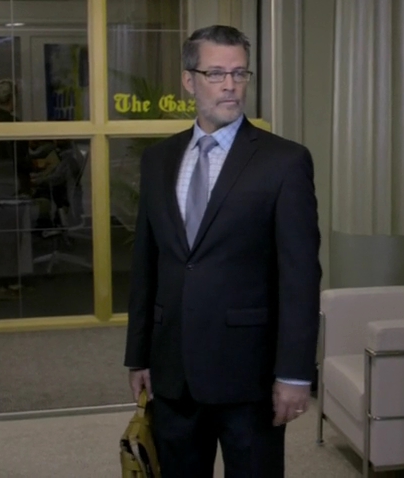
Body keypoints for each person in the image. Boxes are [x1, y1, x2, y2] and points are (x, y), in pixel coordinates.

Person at [123, 25, 321, 478]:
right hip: (173, 371)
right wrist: (139, 355)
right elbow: (146, 265)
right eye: (216, 73)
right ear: (188, 81)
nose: (230, 85)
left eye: (239, 73)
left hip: (248, 375)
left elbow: (300, 277)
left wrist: (294, 373)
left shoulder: (284, 161)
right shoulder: (158, 160)